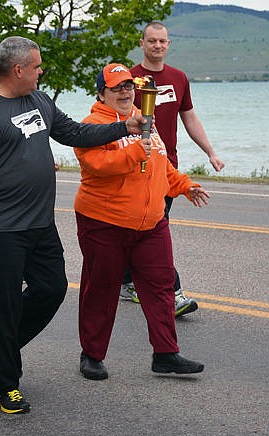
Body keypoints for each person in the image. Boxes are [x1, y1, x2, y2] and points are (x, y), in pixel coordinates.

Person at [0, 36, 147, 414]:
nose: (42, 72)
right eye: (38, 67)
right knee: (5, 307)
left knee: (53, 288)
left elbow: (76, 133)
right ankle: (5, 384)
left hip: (40, 223)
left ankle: (0, 341)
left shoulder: (39, 100)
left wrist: (126, 127)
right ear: (18, 69)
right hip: (0, 228)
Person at [73, 63, 208, 380]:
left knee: (161, 288)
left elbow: (161, 164)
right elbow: (98, 166)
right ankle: (92, 355)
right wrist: (135, 152)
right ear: (101, 93)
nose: (124, 92)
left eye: (128, 86)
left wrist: (184, 185)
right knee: (101, 290)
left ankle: (166, 353)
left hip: (151, 223)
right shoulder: (91, 126)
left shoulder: (145, 120)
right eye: (117, 87)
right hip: (104, 223)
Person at [120, 21, 225, 317]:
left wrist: (211, 153)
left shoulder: (178, 78)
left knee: (145, 228)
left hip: (168, 169)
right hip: (135, 167)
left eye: (162, 41)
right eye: (151, 41)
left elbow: (190, 119)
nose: (157, 46)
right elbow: (112, 118)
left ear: (168, 44)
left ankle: (127, 281)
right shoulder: (130, 79)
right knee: (154, 230)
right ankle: (172, 293)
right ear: (142, 43)